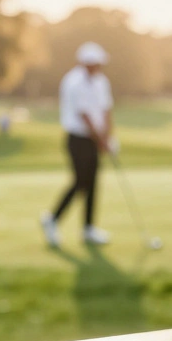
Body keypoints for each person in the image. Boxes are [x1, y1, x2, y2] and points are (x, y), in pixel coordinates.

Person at [40, 42, 116, 248]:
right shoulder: (74, 82)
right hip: (77, 138)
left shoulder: (101, 81)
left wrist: (108, 137)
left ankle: (89, 229)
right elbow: (85, 116)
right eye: (94, 63)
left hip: (94, 139)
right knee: (81, 181)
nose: (97, 67)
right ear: (84, 63)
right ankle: (52, 219)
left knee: (92, 182)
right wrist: (102, 140)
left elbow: (106, 110)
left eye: (99, 63)